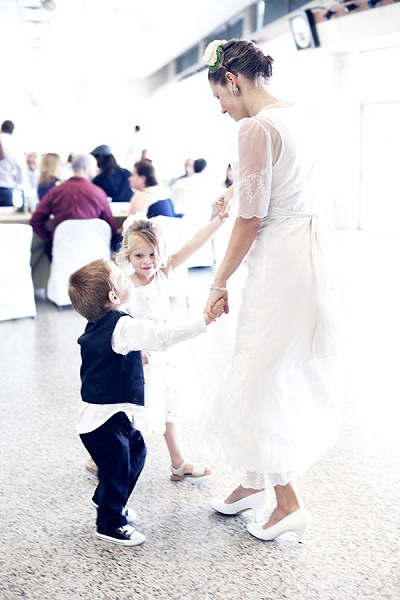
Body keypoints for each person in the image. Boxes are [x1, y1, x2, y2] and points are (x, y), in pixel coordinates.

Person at [202, 39, 343, 543]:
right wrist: (236, 187)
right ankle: (252, 482)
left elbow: (250, 218)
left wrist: (217, 282)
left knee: (262, 373)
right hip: (310, 254)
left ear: (233, 82)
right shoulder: (298, 114)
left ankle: (287, 502)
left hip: (277, 263)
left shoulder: (253, 128)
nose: (223, 110)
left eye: (221, 98)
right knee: (276, 365)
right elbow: (286, 181)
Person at [68, 258, 224, 545]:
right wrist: (203, 321)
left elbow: (113, 350)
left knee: (136, 453)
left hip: (102, 417)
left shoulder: (99, 323)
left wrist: (134, 352)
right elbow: (161, 336)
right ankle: (110, 523)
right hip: (104, 420)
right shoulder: (122, 326)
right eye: (121, 278)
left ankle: (106, 498)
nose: (128, 278)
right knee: (116, 468)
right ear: (114, 296)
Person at [115, 213, 226, 481]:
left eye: (152, 254)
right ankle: (102, 457)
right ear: (128, 256)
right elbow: (119, 320)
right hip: (142, 354)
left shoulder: (164, 273)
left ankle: (178, 462)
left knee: (168, 405)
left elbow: (194, 244)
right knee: (131, 409)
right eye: (139, 256)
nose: (147, 262)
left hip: (167, 351)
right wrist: (137, 348)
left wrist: (219, 220)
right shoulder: (125, 284)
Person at [29, 153, 119, 290]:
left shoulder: (56, 191)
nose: (96, 171)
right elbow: (110, 227)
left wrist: (51, 238)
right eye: (94, 168)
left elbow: (35, 220)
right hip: (93, 250)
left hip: (63, 247)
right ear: (87, 168)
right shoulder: (98, 193)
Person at [0, 120, 29, 207]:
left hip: (6, 186)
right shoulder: (14, 143)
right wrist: (18, 184)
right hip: (6, 185)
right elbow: (20, 166)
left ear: (1, 128)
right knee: (5, 218)